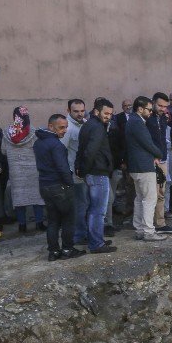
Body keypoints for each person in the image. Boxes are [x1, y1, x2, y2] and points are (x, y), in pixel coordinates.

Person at [34, 114, 86, 261]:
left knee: (53, 220)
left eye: (66, 127)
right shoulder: (56, 145)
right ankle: (68, 249)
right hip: (59, 186)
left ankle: (54, 251)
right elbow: (62, 168)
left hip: (45, 186)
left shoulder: (39, 142)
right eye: (61, 127)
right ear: (51, 127)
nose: (65, 130)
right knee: (68, 219)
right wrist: (69, 183)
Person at [75, 98, 117, 254]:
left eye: (110, 114)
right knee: (98, 211)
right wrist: (84, 169)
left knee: (94, 209)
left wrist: (80, 168)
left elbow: (81, 149)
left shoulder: (88, 125)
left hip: (92, 172)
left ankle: (95, 239)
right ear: (96, 111)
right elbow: (90, 151)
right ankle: (96, 243)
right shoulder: (97, 127)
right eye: (106, 113)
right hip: (97, 173)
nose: (108, 116)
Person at [126, 96, 166, 242]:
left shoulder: (133, 121)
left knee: (140, 199)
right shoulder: (137, 122)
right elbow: (147, 143)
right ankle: (148, 231)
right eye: (149, 109)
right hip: (143, 166)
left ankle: (140, 229)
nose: (151, 112)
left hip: (136, 166)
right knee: (150, 199)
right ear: (140, 109)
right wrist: (159, 153)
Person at [1, 106, 46, 233]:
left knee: (19, 198)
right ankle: (39, 223)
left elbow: (3, 151)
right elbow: (39, 149)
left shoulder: (7, 132)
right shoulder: (33, 131)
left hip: (15, 171)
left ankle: (22, 225)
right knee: (36, 196)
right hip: (32, 169)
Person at [61, 99, 91, 246]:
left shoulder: (85, 123)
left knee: (85, 204)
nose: (80, 114)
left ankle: (84, 232)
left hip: (85, 172)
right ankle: (79, 235)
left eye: (82, 110)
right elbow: (61, 151)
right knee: (80, 205)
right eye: (76, 111)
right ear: (68, 111)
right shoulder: (67, 128)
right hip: (74, 174)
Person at [148, 93, 172, 234]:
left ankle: (160, 223)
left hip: (163, 159)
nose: (162, 108)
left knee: (161, 192)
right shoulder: (147, 118)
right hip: (151, 161)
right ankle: (148, 225)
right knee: (150, 195)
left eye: (165, 106)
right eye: (160, 105)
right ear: (153, 103)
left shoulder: (163, 118)